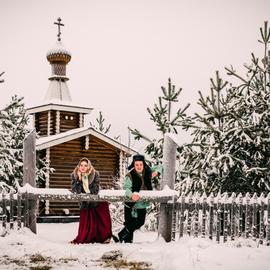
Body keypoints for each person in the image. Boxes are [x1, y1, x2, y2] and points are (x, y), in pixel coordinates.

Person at [115, 154, 162, 243]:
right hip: (130, 203)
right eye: (136, 164)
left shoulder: (148, 172)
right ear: (133, 164)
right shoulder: (129, 175)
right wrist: (131, 195)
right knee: (129, 223)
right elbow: (127, 188)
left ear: (143, 164)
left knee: (140, 222)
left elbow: (161, 167)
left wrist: (157, 172)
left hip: (141, 204)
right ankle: (127, 243)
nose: (139, 166)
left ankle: (121, 235)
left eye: (141, 164)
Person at [70, 157, 112, 244]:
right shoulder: (74, 175)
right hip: (84, 203)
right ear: (78, 166)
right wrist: (79, 179)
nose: (83, 167)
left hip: (97, 201)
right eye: (81, 165)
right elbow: (75, 190)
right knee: (86, 226)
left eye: (85, 165)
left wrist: (84, 189)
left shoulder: (95, 174)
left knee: (102, 220)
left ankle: (105, 238)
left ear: (88, 166)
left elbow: (95, 190)